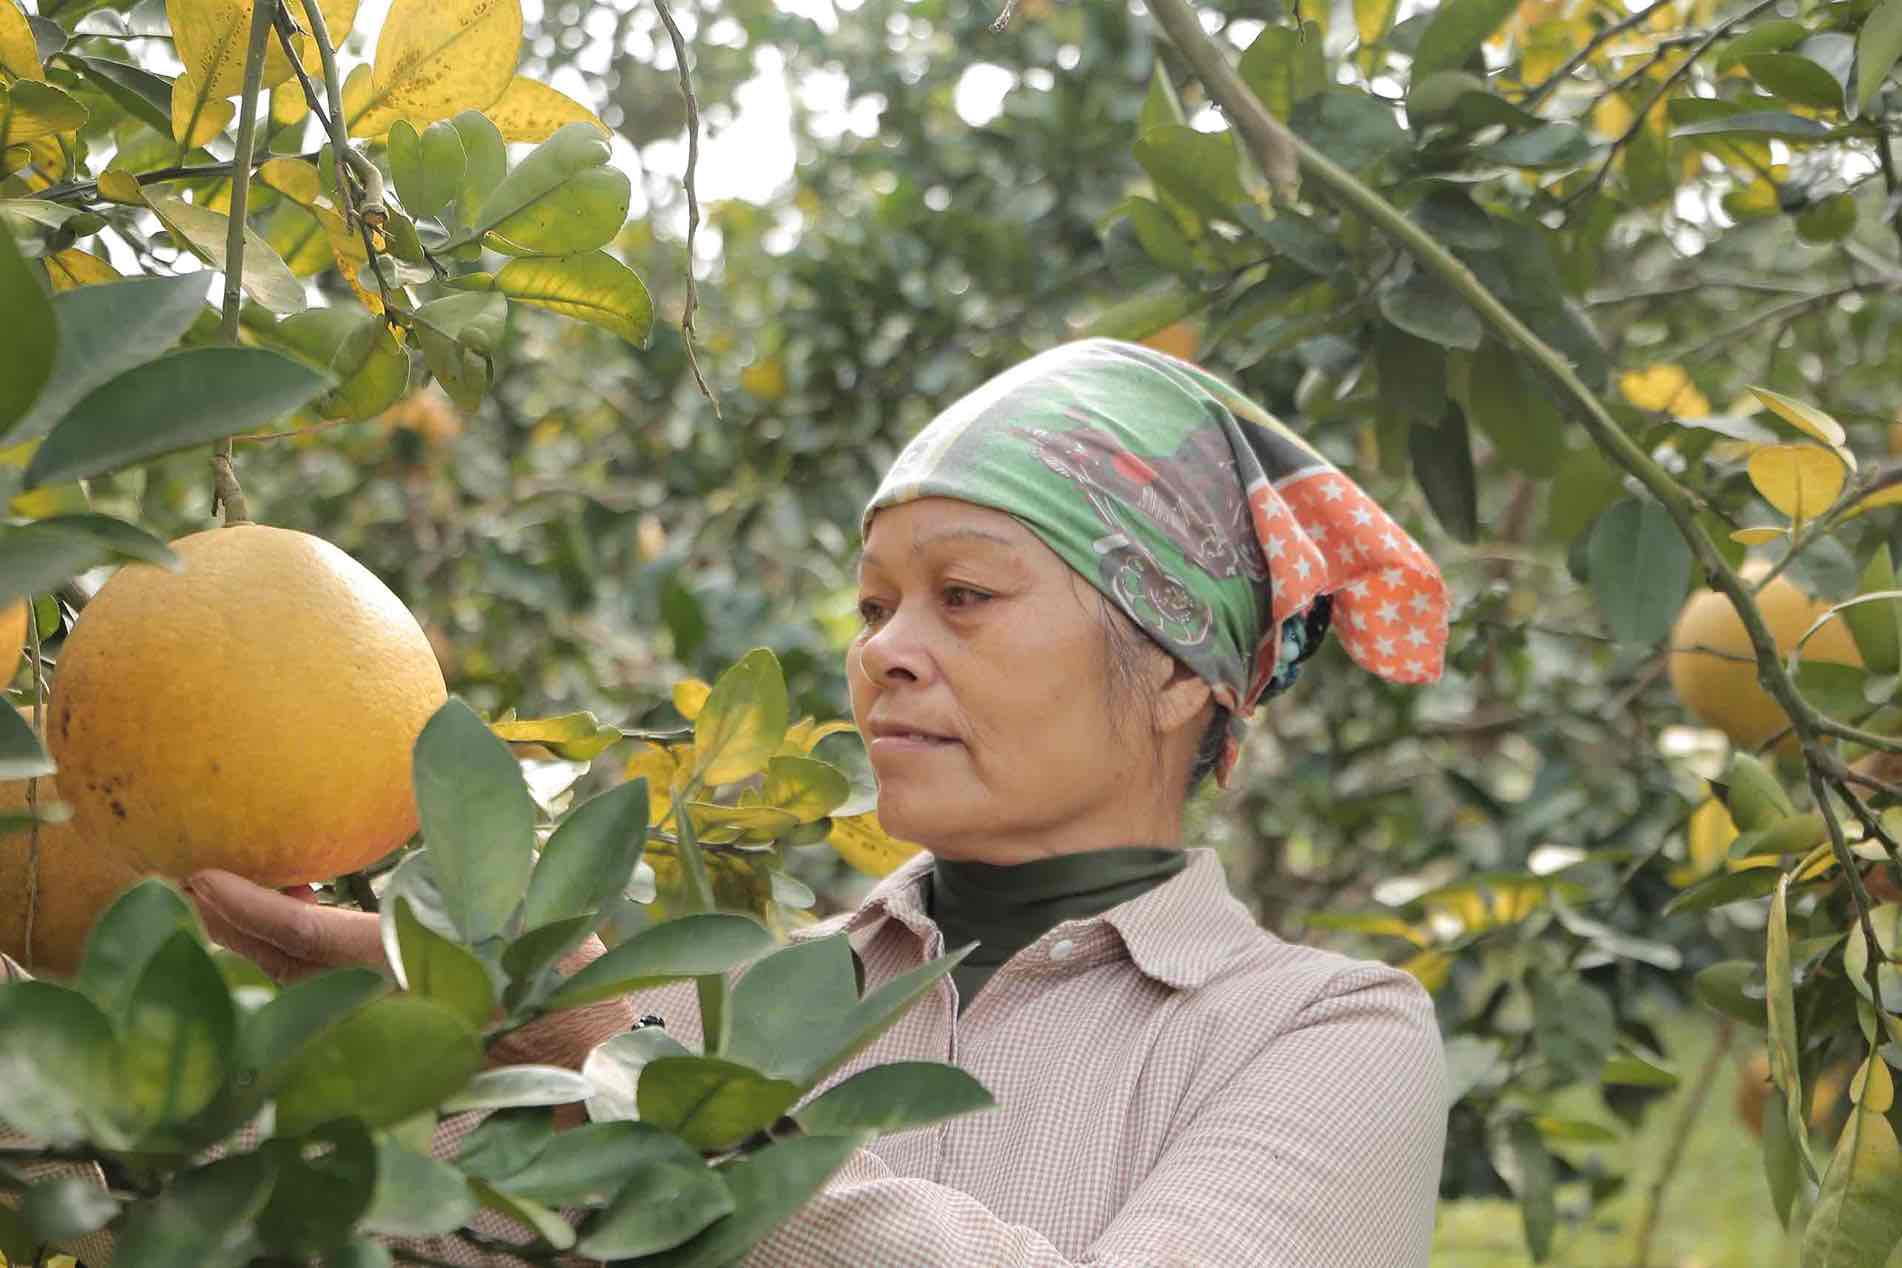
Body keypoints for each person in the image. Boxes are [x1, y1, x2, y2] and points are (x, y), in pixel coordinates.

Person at [184, 337, 1453, 1265]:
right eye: (873, 604)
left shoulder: (1324, 1035)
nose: (884, 649)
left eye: (964, 594)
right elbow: (280, 1202)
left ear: (1180, 665)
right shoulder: (696, 1008)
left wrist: (630, 1088)